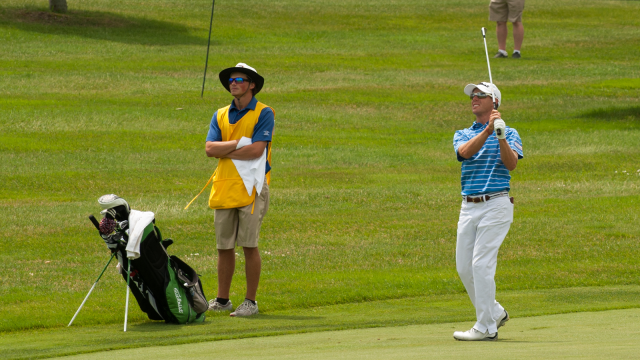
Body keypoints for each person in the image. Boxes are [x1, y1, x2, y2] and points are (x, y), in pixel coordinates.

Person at [452, 82, 523, 341]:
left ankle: (485, 327)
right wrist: (487, 131)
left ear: (494, 102)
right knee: (464, 268)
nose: (474, 98)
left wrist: (500, 135)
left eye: (480, 94)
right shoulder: (463, 133)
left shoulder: (510, 132)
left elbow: (511, 164)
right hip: (468, 206)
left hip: (496, 203)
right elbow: (464, 153)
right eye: (472, 95)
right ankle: (495, 312)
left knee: (481, 265)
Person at [204, 63, 275, 317]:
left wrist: (226, 149)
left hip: (252, 187)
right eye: (231, 79)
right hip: (224, 186)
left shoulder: (264, 112)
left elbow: (257, 150)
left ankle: (250, 302)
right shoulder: (220, 114)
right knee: (224, 247)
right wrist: (237, 144)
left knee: (248, 245)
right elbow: (210, 149)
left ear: (251, 84)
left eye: (239, 79)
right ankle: (223, 300)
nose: (233, 83)